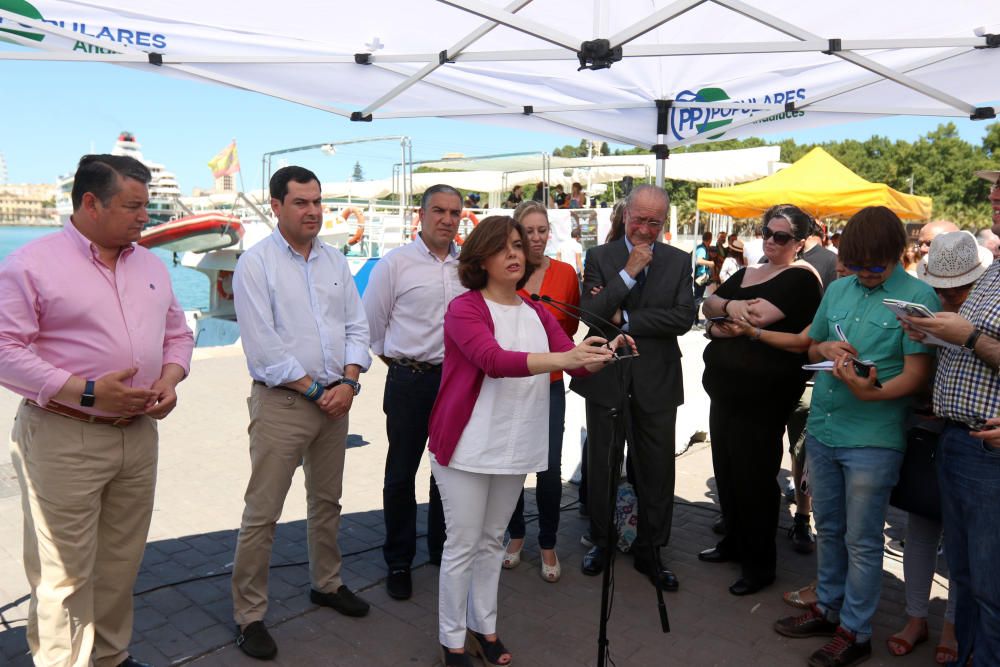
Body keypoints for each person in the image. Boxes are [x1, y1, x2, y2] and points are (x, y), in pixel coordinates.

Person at [0, 154, 194, 667]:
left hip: (138, 435)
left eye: (146, 206)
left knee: (120, 563)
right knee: (63, 573)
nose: (144, 217)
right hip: (66, 434)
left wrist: (170, 380)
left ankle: (110, 657)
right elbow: (4, 348)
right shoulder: (31, 265)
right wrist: (84, 391)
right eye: (133, 206)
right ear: (91, 202)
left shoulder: (150, 264)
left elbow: (177, 333)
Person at [427, 215, 626, 666]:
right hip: (465, 445)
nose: (515, 253)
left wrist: (603, 352)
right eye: (503, 248)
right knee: (462, 543)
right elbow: (492, 359)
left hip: (514, 442)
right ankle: (452, 639)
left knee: (493, 539)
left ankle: (485, 627)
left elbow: (574, 366)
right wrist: (568, 355)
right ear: (480, 259)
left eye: (518, 244)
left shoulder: (536, 308)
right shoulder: (466, 308)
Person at [774, 206, 938, 667]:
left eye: (875, 267)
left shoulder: (918, 297)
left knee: (863, 542)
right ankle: (828, 608)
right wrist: (825, 347)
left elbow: (916, 375)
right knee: (829, 528)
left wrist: (874, 392)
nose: (864, 275)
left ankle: (856, 630)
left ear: (896, 255)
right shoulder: (840, 287)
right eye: (856, 265)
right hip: (825, 428)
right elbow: (813, 343)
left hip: (873, 437)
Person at [230, 166, 372, 660]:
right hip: (285, 404)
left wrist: (350, 383)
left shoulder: (335, 259)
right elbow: (264, 348)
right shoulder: (256, 264)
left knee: (327, 502)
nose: (312, 211)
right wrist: (319, 390)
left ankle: (326, 584)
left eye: (317, 202)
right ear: (276, 205)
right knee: (263, 513)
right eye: (300, 203)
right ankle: (249, 615)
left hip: (337, 402)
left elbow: (358, 326)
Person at [898, 167, 1000, 666]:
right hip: (957, 442)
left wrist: (969, 338)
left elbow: (979, 341)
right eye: (994, 192)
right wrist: (937, 336)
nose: (995, 200)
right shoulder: (994, 273)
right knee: (964, 578)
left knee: (989, 589)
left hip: (987, 452)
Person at [571, 184, 696, 591]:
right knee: (603, 464)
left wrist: (626, 320)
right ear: (625, 216)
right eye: (639, 219)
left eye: (654, 222)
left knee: (657, 469)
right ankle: (603, 542)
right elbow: (589, 313)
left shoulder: (678, 261)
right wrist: (629, 273)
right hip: (607, 378)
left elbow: (682, 318)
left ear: (663, 222)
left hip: (657, 380)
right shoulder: (600, 257)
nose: (645, 229)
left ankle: (651, 549)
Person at [698, 204, 823, 596]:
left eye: (781, 236)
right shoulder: (747, 271)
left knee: (754, 477)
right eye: (766, 232)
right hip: (725, 391)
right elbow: (708, 306)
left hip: (763, 396)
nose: (770, 240)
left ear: (800, 242)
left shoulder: (801, 279)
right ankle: (732, 542)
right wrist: (728, 310)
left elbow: (756, 318)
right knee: (729, 471)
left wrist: (726, 314)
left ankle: (759, 564)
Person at [363, 184, 466, 600]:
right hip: (408, 380)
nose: (446, 219)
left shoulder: (469, 268)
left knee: (448, 471)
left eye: (454, 212)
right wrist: (406, 367)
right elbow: (371, 329)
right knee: (401, 474)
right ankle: (399, 560)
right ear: (420, 216)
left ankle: (442, 552)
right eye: (438, 210)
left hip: (455, 382)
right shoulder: (395, 265)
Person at [502, 201, 581, 583]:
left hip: (549, 384)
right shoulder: (507, 271)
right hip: (511, 383)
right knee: (513, 466)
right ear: (517, 233)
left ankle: (547, 541)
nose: (536, 237)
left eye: (542, 229)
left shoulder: (566, 273)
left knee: (548, 468)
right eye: (528, 230)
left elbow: (571, 329)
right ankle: (516, 534)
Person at [693, 231, 715, 324]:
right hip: (700, 277)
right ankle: (694, 320)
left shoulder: (703, 247)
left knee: (699, 297)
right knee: (697, 298)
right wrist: (711, 263)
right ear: (710, 239)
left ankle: (696, 320)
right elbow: (699, 261)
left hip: (702, 276)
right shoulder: (702, 249)